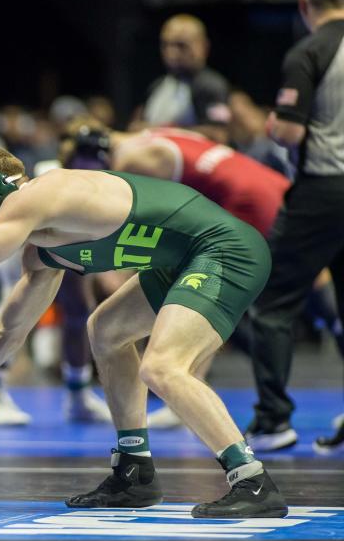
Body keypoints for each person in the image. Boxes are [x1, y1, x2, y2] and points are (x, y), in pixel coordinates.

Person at [0, 144, 287, 519]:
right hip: (181, 260)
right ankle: (135, 470)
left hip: (226, 249)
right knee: (105, 330)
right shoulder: (42, 250)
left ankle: (251, 481)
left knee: (163, 366)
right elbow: (5, 336)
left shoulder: (42, 195)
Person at [60, 119, 290, 427]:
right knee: (312, 291)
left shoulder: (130, 160)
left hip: (243, 200)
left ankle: (184, 390)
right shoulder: (151, 134)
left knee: (205, 295)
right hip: (269, 184)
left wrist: (112, 267)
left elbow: (145, 222)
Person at [247, 0, 344, 453]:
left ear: (305, 3)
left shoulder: (309, 51)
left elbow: (289, 131)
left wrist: (270, 125)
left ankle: (272, 421)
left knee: (272, 303)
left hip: (323, 189)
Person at [131, 14, 231, 143]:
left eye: (181, 45)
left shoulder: (212, 86)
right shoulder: (157, 86)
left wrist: (161, 131)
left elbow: (218, 135)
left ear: (203, 46)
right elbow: (135, 127)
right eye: (166, 45)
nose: (172, 52)